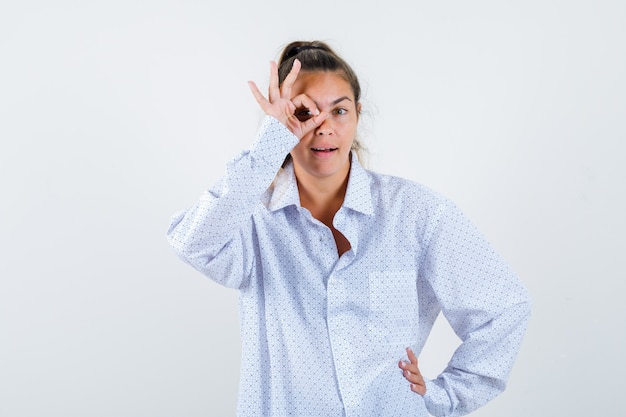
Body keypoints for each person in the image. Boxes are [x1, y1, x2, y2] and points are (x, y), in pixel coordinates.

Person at [167, 40, 531, 417]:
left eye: (339, 110)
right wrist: (267, 148)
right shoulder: (251, 220)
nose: (323, 127)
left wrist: (442, 399)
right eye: (305, 112)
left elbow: (503, 309)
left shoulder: (416, 213)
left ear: (357, 115)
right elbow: (192, 244)